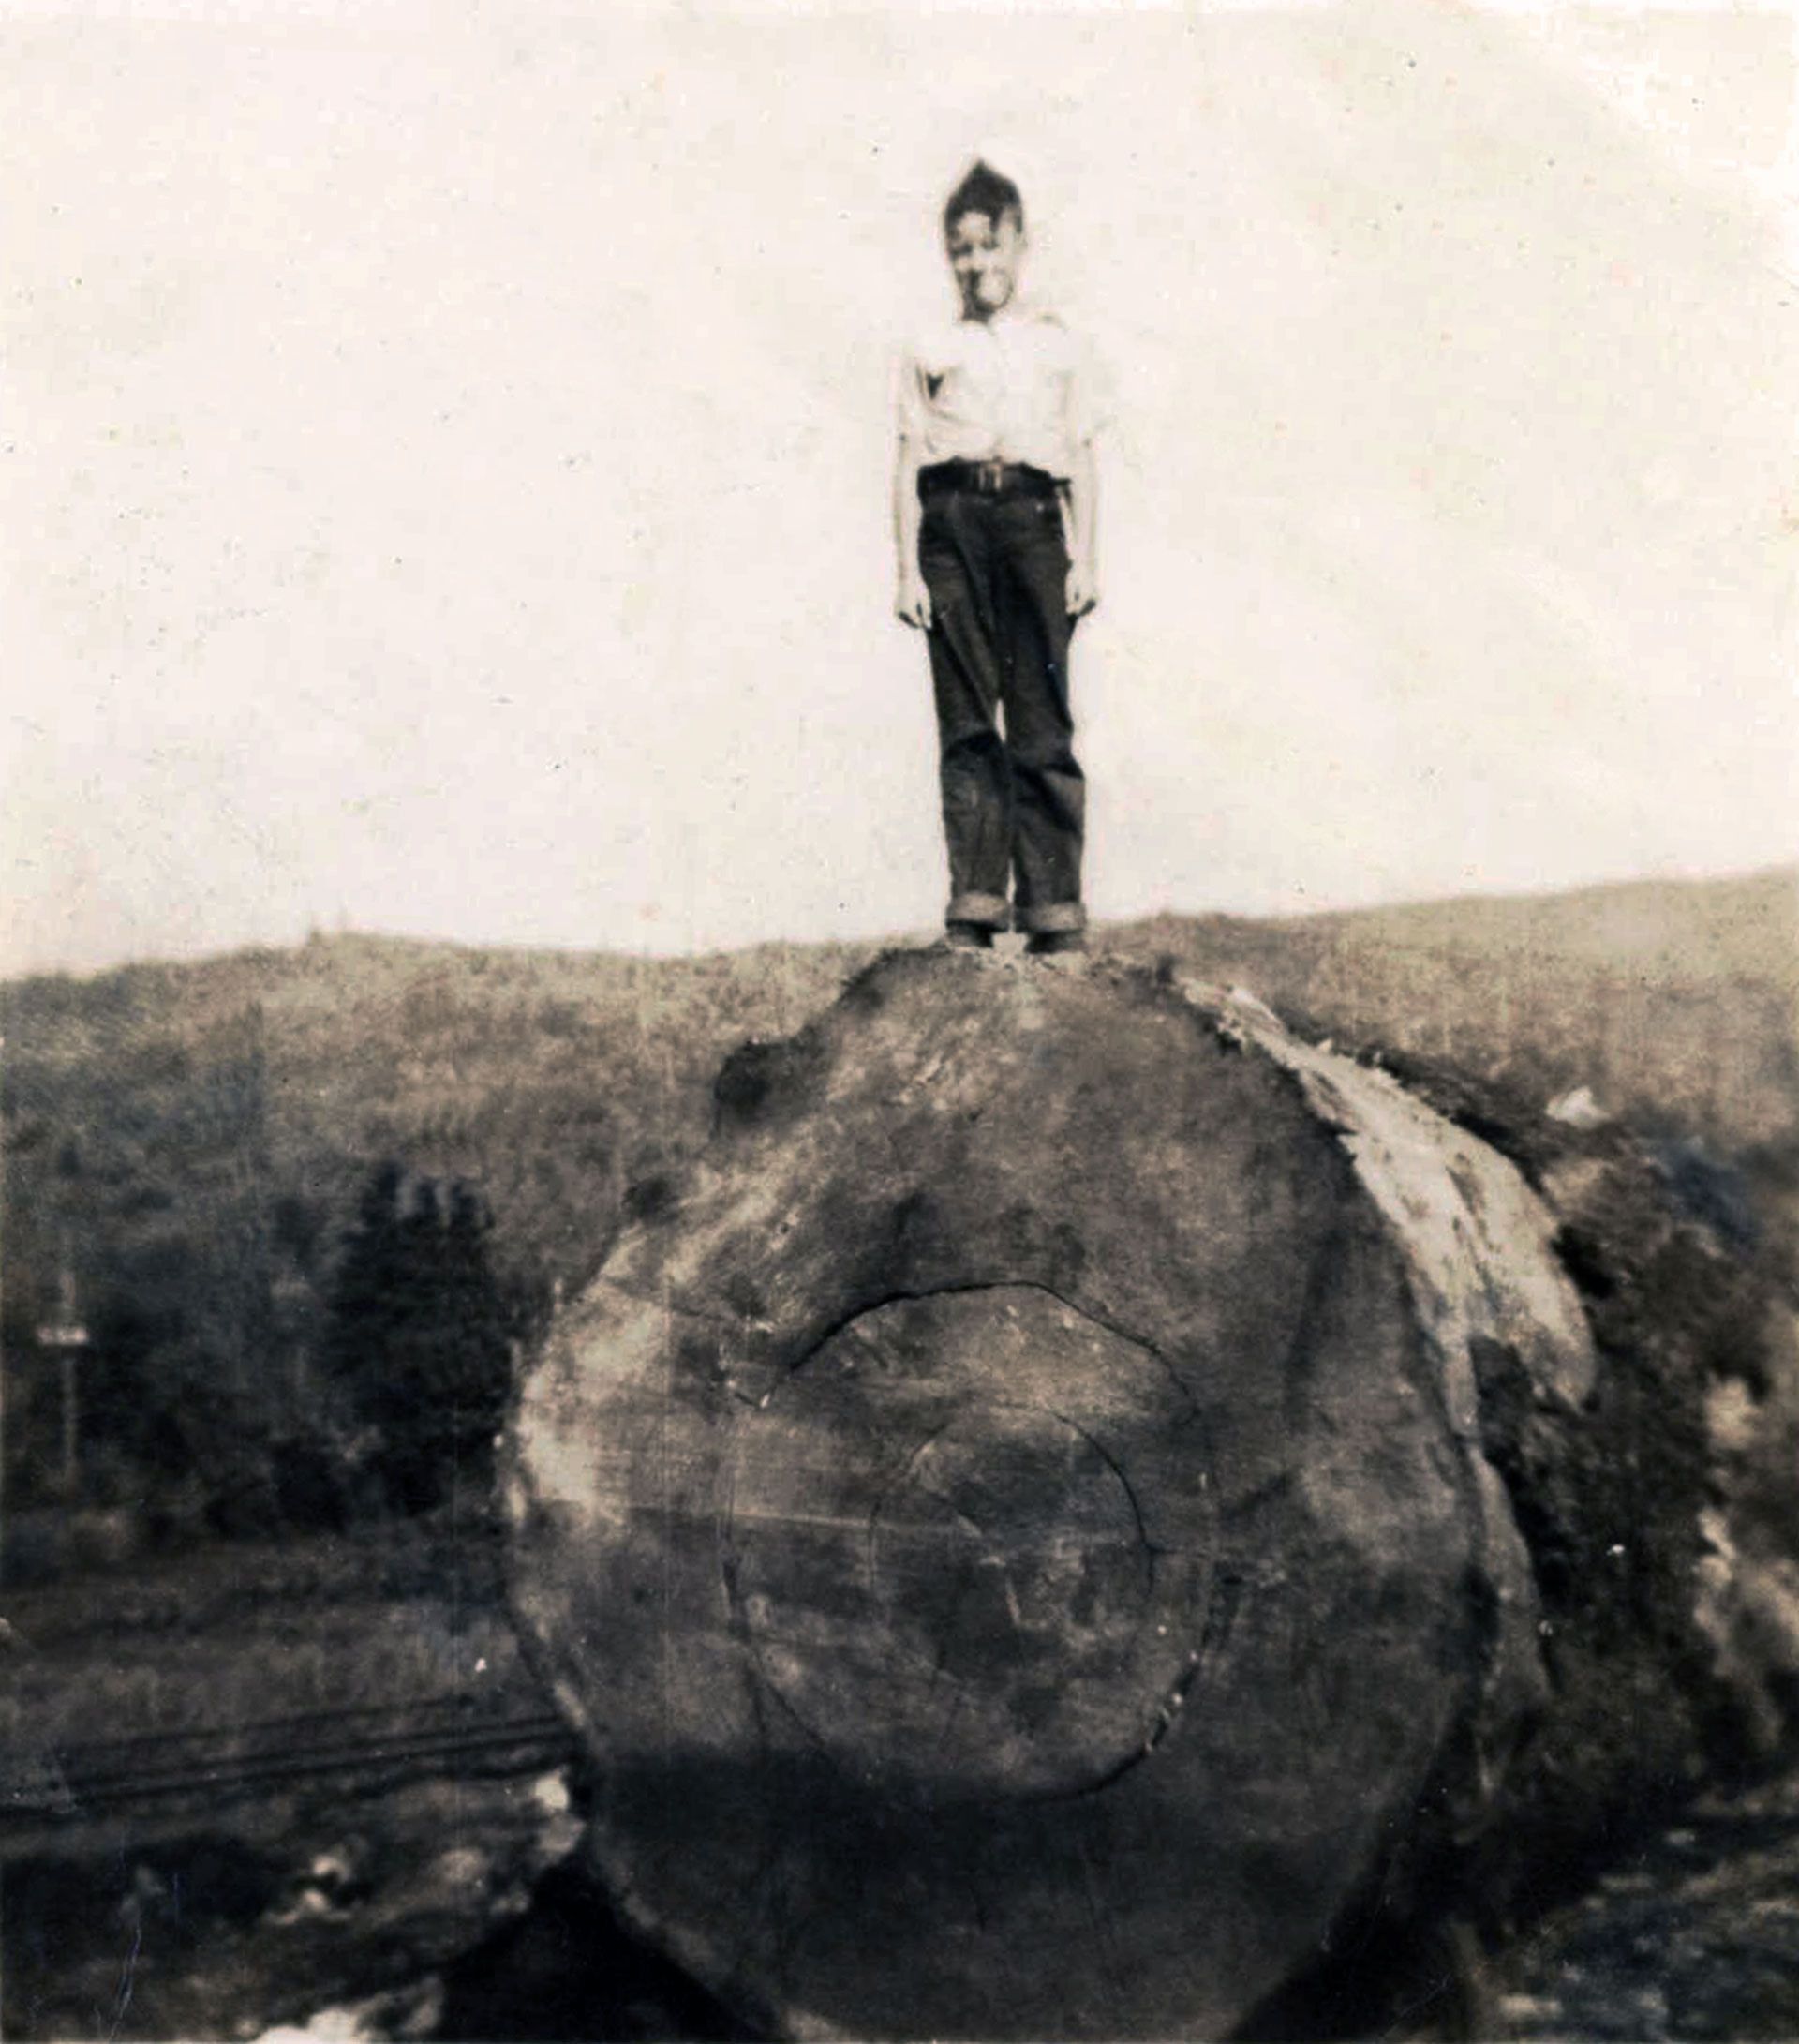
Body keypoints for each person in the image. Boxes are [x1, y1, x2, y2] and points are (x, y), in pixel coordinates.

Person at [893, 159, 1105, 956]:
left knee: (1041, 719)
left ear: (1019, 243)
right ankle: (975, 905)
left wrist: (1085, 558)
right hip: (951, 526)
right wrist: (906, 570)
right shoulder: (929, 345)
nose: (976, 265)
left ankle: (1054, 910)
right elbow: (906, 458)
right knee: (968, 721)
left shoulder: (1059, 345)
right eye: (961, 250)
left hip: (1032, 521)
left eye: (989, 246)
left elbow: (1082, 458)